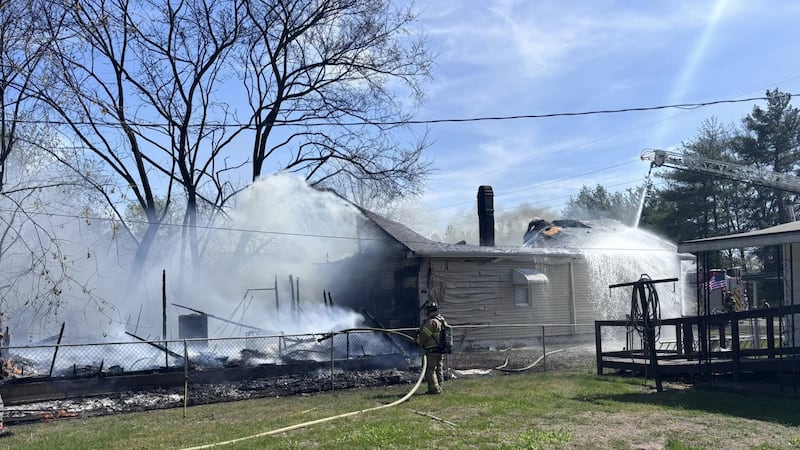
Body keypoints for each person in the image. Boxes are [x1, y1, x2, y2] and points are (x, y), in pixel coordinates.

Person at [416, 302, 446, 395]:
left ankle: (434, 390)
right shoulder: (442, 321)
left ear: (429, 310)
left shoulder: (431, 322)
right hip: (440, 349)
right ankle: (439, 387)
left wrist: (417, 341)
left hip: (431, 350)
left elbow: (423, 337)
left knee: (430, 369)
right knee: (439, 369)